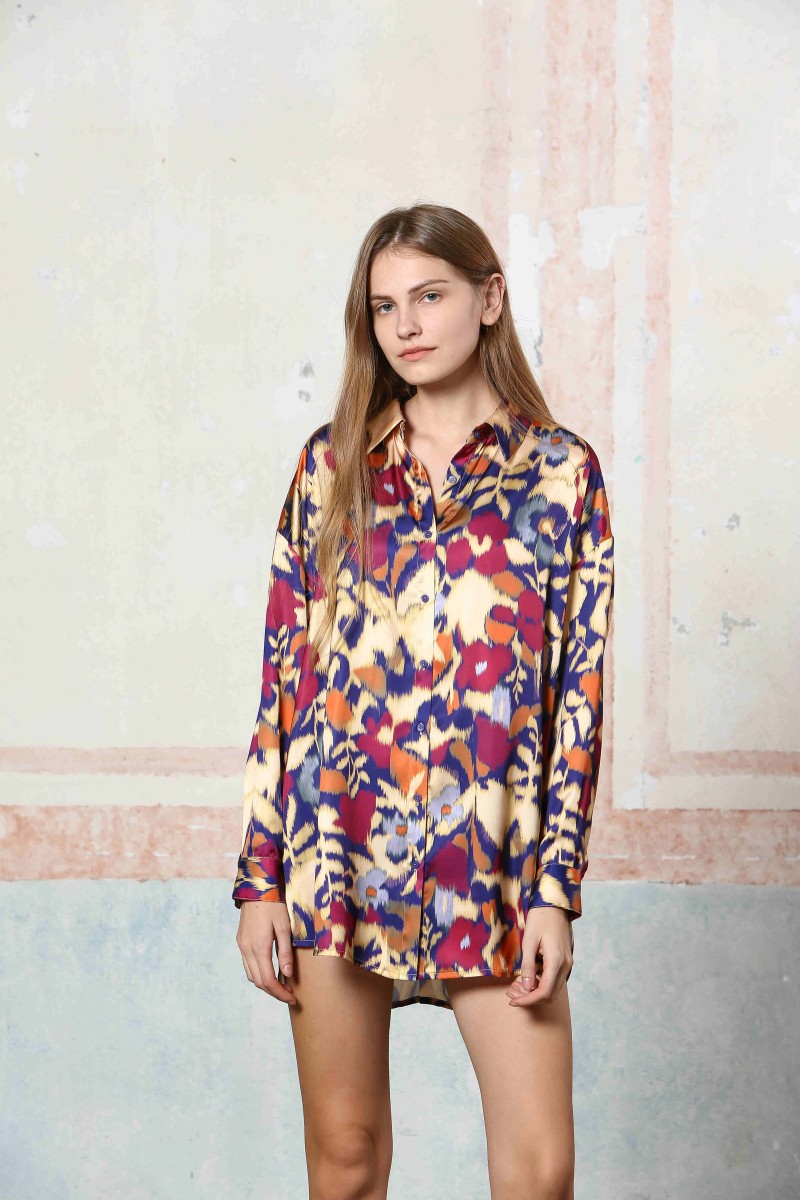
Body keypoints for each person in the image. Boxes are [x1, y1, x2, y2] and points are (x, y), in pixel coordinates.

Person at [233, 202, 615, 1199]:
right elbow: (283, 679)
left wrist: (553, 891)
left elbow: (576, 702)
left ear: (488, 299)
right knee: (347, 1161)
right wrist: (259, 881)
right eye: (384, 306)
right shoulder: (330, 467)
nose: (404, 325)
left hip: (490, 864)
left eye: (430, 296)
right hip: (336, 851)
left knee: (537, 1172)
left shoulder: (562, 475)